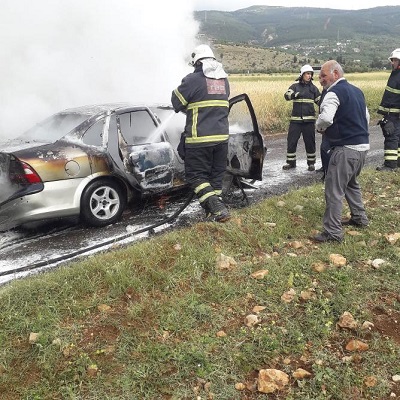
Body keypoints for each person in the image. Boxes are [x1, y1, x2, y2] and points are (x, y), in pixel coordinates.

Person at [171, 44, 231, 222]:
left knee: (196, 176)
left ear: (197, 62)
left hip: (200, 139)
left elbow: (176, 102)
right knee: (216, 177)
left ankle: (218, 209)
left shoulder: (192, 80)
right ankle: (213, 213)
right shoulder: (224, 81)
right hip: (221, 139)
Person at [312, 60, 370, 243]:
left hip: (345, 150)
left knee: (333, 189)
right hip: (362, 148)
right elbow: (366, 117)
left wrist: (319, 127)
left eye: (323, 76)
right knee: (351, 184)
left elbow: (326, 118)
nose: (320, 80)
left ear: (335, 74)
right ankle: (359, 218)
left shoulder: (333, 93)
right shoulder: (357, 91)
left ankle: (333, 233)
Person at [282, 64, 321, 171]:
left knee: (310, 142)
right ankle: (291, 163)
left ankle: (311, 163)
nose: (309, 76)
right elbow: (286, 96)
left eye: (310, 74)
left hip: (309, 121)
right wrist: (293, 95)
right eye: (307, 74)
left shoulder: (314, 89)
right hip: (295, 121)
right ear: (302, 74)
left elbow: (320, 102)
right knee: (291, 141)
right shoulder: (294, 87)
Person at [376, 48, 400, 171]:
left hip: (394, 115)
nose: (392, 62)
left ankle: (390, 166)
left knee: (391, 138)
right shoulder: (395, 74)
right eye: (392, 60)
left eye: (395, 60)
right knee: (398, 139)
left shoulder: (398, 76)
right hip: (392, 114)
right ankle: (397, 163)